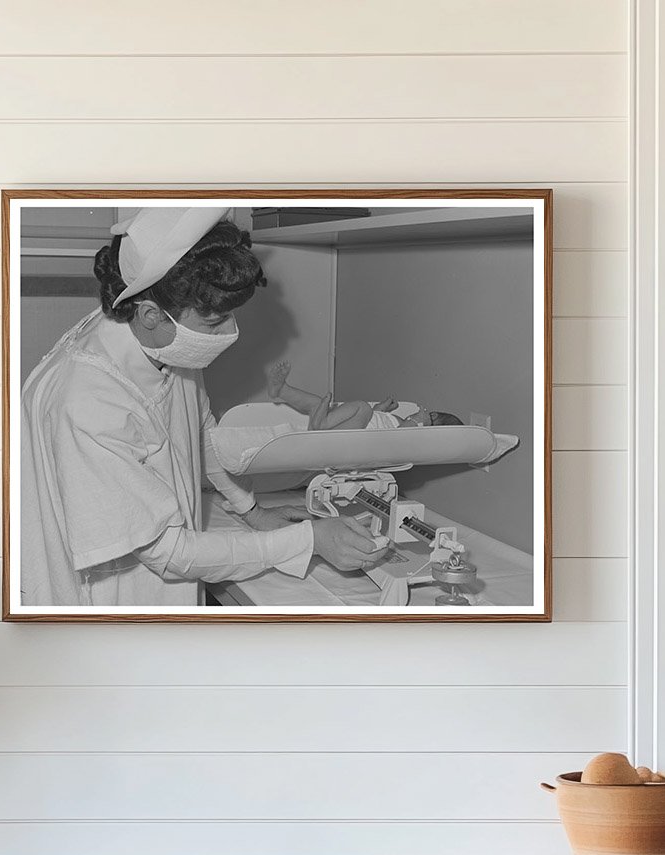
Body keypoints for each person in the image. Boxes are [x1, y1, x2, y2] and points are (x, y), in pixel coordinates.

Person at [20, 207, 389, 607]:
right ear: (149, 315)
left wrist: (252, 512)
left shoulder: (164, 343)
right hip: (109, 591)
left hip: (166, 572)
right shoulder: (88, 402)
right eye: (214, 322)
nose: (229, 332)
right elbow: (168, 552)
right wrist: (306, 541)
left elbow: (201, 439)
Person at [266, 360, 464, 431]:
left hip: (350, 435)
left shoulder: (408, 430)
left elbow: (402, 433)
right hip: (344, 428)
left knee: (363, 408)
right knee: (317, 403)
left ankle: (321, 424)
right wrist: (383, 409)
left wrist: (416, 422)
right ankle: (282, 390)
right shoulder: (398, 421)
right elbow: (377, 419)